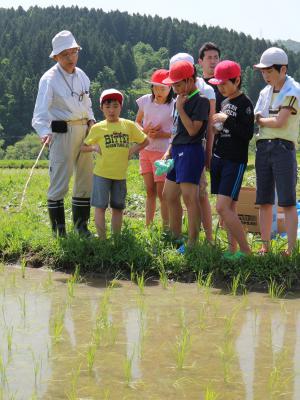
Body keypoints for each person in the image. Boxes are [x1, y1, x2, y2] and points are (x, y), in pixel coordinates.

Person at [32, 30, 95, 237]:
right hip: (62, 132)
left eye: (73, 52)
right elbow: (39, 114)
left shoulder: (82, 75)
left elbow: (88, 103)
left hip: (85, 130)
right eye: (64, 54)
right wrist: (44, 132)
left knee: (85, 179)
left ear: (78, 51)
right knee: (60, 180)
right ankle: (59, 232)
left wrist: (92, 121)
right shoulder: (49, 79)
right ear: (56, 57)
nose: (70, 58)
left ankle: (81, 227)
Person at [81, 89, 149, 239]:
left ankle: (116, 239)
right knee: (100, 207)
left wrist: (133, 150)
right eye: (107, 107)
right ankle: (103, 239)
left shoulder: (128, 125)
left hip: (120, 175)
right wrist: (93, 147)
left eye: (115, 106)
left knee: (118, 208)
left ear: (121, 107)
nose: (111, 110)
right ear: (101, 108)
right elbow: (82, 147)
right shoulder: (97, 128)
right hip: (101, 174)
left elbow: (145, 140)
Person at [254, 47, 300, 255]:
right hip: (263, 147)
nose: (265, 75)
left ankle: (291, 249)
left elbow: (280, 122)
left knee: (288, 201)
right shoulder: (265, 91)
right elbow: (259, 118)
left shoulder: (293, 89)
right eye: (263, 71)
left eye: (269, 71)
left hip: (283, 147)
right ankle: (265, 245)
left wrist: (262, 121)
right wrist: (263, 121)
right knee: (264, 200)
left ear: (283, 70)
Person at [162, 61, 210, 250]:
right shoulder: (178, 99)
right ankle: (176, 237)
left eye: (178, 84)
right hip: (177, 149)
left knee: (190, 198)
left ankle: (193, 241)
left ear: (190, 80)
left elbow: (192, 130)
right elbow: (176, 128)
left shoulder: (201, 101)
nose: (175, 88)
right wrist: (169, 150)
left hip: (191, 150)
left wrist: (181, 108)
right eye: (173, 85)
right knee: (169, 195)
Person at [209, 60, 254, 259]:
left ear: (237, 80)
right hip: (220, 157)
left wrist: (227, 120)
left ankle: (246, 251)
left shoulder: (245, 104)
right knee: (228, 208)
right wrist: (216, 128)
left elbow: (247, 134)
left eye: (224, 83)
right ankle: (232, 249)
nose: (221, 88)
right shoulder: (224, 103)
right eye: (218, 84)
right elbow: (223, 131)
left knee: (222, 207)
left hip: (235, 160)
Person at [135, 69, 174, 227]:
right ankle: (148, 225)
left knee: (162, 192)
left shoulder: (173, 105)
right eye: (155, 87)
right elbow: (136, 122)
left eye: (162, 88)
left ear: (170, 88)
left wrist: (162, 134)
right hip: (145, 150)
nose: (158, 91)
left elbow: (176, 131)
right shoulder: (145, 101)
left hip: (163, 152)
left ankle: (166, 226)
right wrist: (145, 131)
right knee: (149, 191)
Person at [198, 42, 225, 113]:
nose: (213, 61)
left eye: (216, 57)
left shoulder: (226, 84)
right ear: (200, 62)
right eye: (209, 58)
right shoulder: (197, 85)